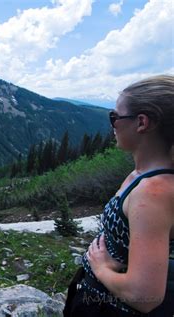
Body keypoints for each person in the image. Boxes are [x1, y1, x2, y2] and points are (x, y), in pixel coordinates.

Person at [63, 75, 174, 317]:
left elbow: (145, 296)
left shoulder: (153, 192)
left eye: (115, 117)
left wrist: (101, 269)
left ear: (142, 122)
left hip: (112, 309)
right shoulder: (143, 177)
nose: (112, 124)